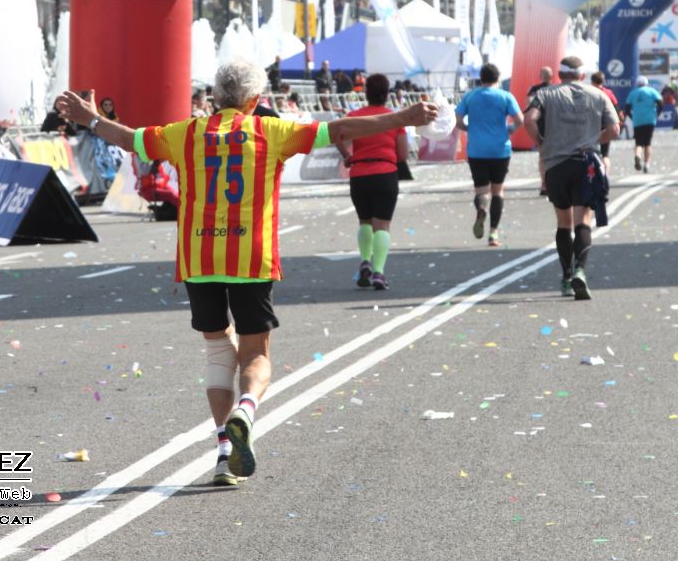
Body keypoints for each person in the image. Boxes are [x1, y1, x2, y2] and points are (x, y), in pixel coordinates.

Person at [54, 59, 436, 487]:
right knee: (255, 353)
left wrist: (90, 118)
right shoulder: (271, 132)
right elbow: (341, 131)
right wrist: (404, 117)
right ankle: (246, 410)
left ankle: (222, 454)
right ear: (255, 100)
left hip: (199, 257)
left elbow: (127, 139)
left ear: (215, 97)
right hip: (250, 257)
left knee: (218, 352)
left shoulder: (186, 133)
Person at [524, 56, 619, 301]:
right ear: (582, 75)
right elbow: (615, 128)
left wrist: (542, 143)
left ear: (559, 73)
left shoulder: (545, 94)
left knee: (563, 222)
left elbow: (529, 119)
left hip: (556, 164)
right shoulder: (598, 94)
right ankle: (580, 271)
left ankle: (566, 277)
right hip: (586, 163)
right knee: (583, 221)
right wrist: (594, 140)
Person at [335, 74, 408, 288]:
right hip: (385, 173)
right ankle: (378, 272)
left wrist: (347, 156)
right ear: (387, 95)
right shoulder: (395, 118)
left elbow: (336, 134)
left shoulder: (354, 117)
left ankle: (365, 261)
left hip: (359, 175)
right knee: (382, 226)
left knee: (364, 221)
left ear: (366, 93)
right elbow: (403, 154)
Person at [456, 63, 524, 247]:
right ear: (497, 78)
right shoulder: (505, 96)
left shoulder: (470, 96)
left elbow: (458, 120)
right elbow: (520, 120)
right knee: (498, 190)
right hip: (499, 149)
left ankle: (481, 208)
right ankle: (493, 233)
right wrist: (509, 129)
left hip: (477, 149)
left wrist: (469, 128)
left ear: (481, 78)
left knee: (481, 190)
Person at [525, 66, 555, 195]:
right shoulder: (556, 89)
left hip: (540, 124)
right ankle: (553, 183)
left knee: (542, 155)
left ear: (541, 76)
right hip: (555, 125)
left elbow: (528, 106)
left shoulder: (534, 90)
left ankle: (544, 184)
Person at [624, 77, 663, 173]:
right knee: (648, 143)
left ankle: (637, 155)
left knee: (638, 142)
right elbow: (660, 103)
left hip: (637, 120)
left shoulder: (633, 93)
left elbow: (627, 108)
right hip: (650, 119)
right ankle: (646, 164)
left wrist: (632, 117)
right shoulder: (652, 91)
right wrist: (657, 114)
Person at [590, 71, 620, 174]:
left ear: (591, 81)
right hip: (605, 125)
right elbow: (616, 108)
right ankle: (605, 177)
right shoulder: (608, 93)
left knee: (589, 152)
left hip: (590, 126)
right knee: (605, 154)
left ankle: (592, 175)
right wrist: (619, 121)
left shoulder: (588, 92)